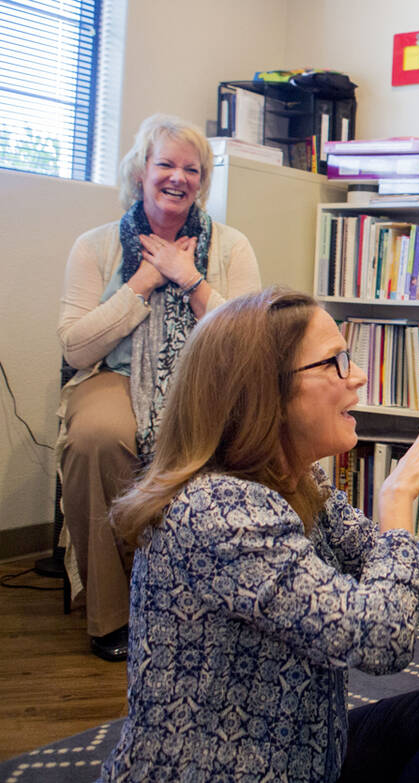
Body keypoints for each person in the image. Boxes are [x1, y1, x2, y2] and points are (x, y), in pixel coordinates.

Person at [99, 287, 419, 782]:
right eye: (334, 362)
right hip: (230, 771)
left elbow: (410, 600)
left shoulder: (301, 481)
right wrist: (396, 504)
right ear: (263, 391)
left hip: (308, 750)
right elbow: (381, 642)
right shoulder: (217, 510)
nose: (356, 375)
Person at [56, 114, 261, 661]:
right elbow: (76, 349)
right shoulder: (95, 246)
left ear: (202, 181)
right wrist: (144, 282)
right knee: (97, 438)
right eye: (165, 163)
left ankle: (220, 607)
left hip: (203, 382)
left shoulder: (230, 246)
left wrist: (189, 277)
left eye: (191, 169)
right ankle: (111, 616)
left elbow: (249, 338)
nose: (178, 177)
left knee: (243, 436)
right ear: (141, 172)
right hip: (112, 376)